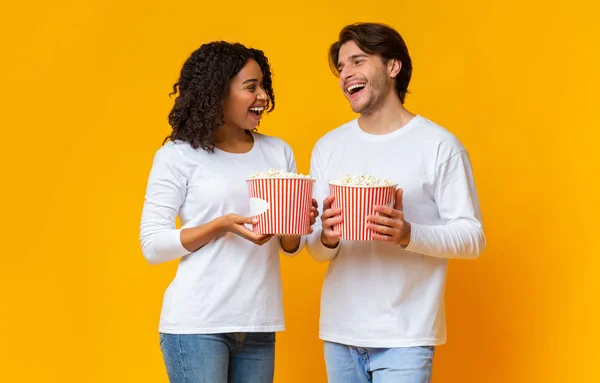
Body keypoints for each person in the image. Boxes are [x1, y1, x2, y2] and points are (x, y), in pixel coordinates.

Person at [306, 22, 486, 383]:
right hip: (340, 334)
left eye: (357, 61)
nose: (346, 75)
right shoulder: (328, 147)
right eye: (341, 68)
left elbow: (473, 237)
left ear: (392, 66)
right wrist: (326, 236)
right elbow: (315, 249)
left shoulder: (439, 145)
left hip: (407, 335)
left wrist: (407, 233)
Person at [139, 41, 317, 383]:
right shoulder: (178, 156)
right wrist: (220, 226)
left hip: (258, 324)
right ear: (218, 93)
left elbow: (290, 246)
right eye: (251, 87)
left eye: (263, 85)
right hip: (197, 325)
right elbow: (152, 244)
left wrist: (298, 221)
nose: (263, 96)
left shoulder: (278, 152)